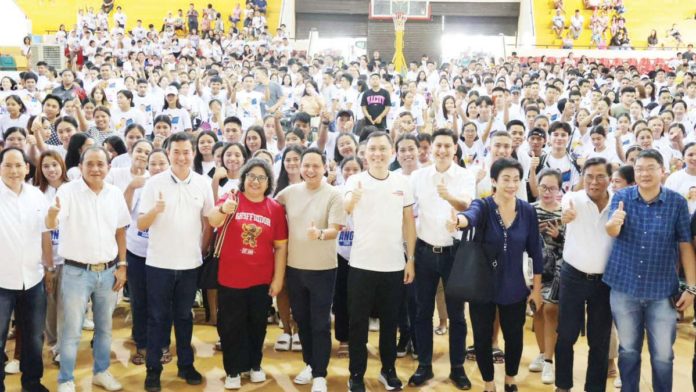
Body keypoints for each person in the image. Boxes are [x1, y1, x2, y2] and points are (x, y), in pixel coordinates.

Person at [605, 148, 696, 392]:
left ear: (662, 172)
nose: (644, 173)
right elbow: (612, 231)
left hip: (662, 292)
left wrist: (692, 288)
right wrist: (613, 224)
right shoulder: (621, 197)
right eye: (639, 169)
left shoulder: (676, 203)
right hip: (625, 288)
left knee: (664, 356)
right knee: (629, 351)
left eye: (650, 168)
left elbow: (686, 245)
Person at [449, 158, 543, 392]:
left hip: (514, 285)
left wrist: (537, 290)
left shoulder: (527, 210)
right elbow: (469, 215)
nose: (511, 184)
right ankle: (489, 384)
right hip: (482, 284)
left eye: (515, 179)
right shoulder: (483, 206)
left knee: (514, 337)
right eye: (505, 179)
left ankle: (510, 381)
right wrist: (459, 221)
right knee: (482, 337)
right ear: (493, 181)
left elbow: (535, 251)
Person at [46, 146, 129, 392]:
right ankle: (66, 379)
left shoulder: (114, 193)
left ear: (108, 167)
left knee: (104, 328)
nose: (95, 168)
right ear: (80, 167)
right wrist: (51, 216)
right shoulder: (67, 191)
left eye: (100, 164)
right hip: (76, 272)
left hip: (109, 272)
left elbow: (120, 231)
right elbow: (53, 222)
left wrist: (122, 265)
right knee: (71, 330)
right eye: (89, 164)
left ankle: (101, 372)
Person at [137, 132, 215, 391]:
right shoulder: (153, 183)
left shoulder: (203, 183)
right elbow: (141, 224)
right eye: (176, 152)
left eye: (186, 152)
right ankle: (153, 370)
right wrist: (155, 211)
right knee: (157, 318)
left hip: (190, 264)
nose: (182, 157)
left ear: (193, 153)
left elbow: (210, 221)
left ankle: (185, 365)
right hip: (158, 263)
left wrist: (223, 214)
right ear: (168, 154)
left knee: (184, 317)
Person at [343, 131, 416, 392]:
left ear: (391, 152)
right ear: (365, 153)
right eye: (372, 149)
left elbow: (408, 223)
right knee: (358, 324)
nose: (377, 153)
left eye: (382, 149)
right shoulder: (355, 180)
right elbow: (346, 208)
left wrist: (411, 260)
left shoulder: (402, 182)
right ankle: (356, 374)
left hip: (394, 265)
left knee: (390, 323)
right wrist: (353, 199)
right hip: (361, 265)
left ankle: (388, 370)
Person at [207, 158, 288, 390]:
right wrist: (223, 209)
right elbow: (213, 219)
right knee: (231, 326)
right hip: (230, 277)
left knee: (257, 325)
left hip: (261, 279)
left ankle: (254, 365)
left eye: (261, 177)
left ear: (268, 182)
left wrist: (278, 278)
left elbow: (281, 246)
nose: (255, 181)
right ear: (244, 178)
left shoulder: (274, 208)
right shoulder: (232, 198)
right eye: (251, 176)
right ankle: (232, 369)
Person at [407, 128, 476, 389]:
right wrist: (411, 257)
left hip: (454, 253)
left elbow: (467, 205)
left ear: (455, 149)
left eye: (448, 146)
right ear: (431, 148)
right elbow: (406, 211)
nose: (443, 150)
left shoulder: (464, 176)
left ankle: (457, 368)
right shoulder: (419, 176)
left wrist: (449, 197)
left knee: (457, 315)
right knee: (423, 312)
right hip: (424, 252)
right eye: (438, 145)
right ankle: (424, 366)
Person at [275, 148, 345, 392]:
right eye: (306, 165)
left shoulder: (334, 194)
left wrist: (320, 234)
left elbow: (336, 229)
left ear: (324, 167)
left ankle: (320, 374)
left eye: (316, 165)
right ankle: (309, 363)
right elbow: (269, 205)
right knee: (302, 320)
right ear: (300, 167)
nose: (310, 170)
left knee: (320, 323)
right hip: (295, 267)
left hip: (323, 269)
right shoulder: (290, 192)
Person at [554, 157, 614, 392]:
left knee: (598, 340)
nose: (594, 181)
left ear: (610, 178)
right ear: (582, 177)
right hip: (573, 277)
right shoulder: (573, 199)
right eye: (589, 176)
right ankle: (563, 385)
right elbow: (565, 210)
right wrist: (565, 216)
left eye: (601, 176)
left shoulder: (619, 203)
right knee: (566, 335)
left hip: (604, 282)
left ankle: (595, 388)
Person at [0, 148, 52, 392]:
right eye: (8, 165)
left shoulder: (36, 195)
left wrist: (49, 267)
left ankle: (32, 383)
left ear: (27, 168)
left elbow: (45, 234)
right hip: (1, 280)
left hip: (33, 278)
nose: (13, 171)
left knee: (33, 337)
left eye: (18, 165)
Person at [528, 169, 565, 385]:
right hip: (533, 268)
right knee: (538, 310)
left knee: (551, 310)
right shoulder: (529, 210)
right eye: (543, 187)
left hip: (557, 269)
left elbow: (571, 244)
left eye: (552, 188)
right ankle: (543, 353)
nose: (547, 191)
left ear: (560, 189)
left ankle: (550, 361)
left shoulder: (565, 212)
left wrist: (558, 236)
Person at [33, 150, 69, 365]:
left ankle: (62, 348)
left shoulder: (72, 188)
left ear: (62, 165)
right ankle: (53, 342)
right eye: (46, 166)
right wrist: (48, 265)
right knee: (50, 304)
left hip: (70, 259)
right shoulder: (37, 192)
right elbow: (42, 231)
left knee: (66, 306)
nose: (51, 169)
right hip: (45, 260)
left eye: (54, 164)